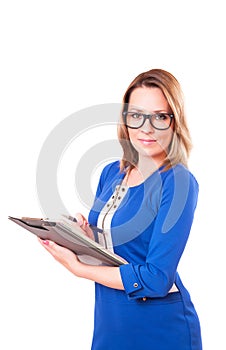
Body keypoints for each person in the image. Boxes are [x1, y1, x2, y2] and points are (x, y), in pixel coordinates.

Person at [39, 68, 203, 350]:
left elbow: (156, 279)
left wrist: (78, 269)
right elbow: (114, 252)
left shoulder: (178, 183)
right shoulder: (112, 173)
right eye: (137, 115)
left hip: (159, 327)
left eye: (160, 117)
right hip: (110, 320)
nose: (146, 128)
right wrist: (82, 237)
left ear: (175, 122)